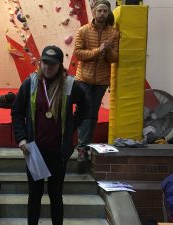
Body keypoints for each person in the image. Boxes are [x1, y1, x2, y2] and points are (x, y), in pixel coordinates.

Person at [11, 45, 89, 225]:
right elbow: (17, 111)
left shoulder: (70, 84)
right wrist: (21, 137)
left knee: (55, 195)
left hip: (57, 152)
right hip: (34, 150)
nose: (47, 67)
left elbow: (86, 107)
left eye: (52, 64)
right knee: (35, 195)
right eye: (44, 62)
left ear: (60, 65)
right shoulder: (30, 83)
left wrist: (72, 126)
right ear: (40, 62)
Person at [73, 0, 119, 161]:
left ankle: (85, 146)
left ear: (108, 13)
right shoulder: (83, 30)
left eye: (105, 11)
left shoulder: (113, 33)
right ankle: (82, 148)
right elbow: (78, 54)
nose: (102, 14)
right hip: (83, 78)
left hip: (101, 81)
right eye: (99, 11)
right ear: (93, 12)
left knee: (93, 113)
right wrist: (98, 51)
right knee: (86, 110)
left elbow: (114, 58)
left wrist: (107, 51)